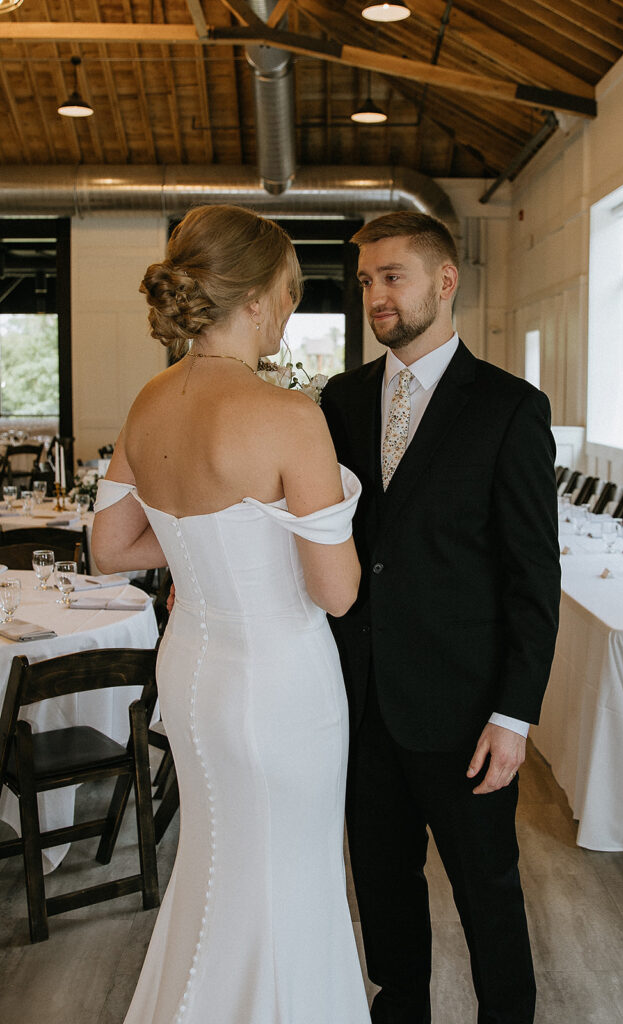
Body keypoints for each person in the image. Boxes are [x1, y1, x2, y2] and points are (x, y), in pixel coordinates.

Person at [91, 204, 371, 1024]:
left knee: (217, 864)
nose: (289, 310)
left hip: (192, 670)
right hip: (280, 682)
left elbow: (110, 547)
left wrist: (203, 558)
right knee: (287, 874)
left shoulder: (148, 401)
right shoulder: (290, 416)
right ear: (252, 298)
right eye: (288, 293)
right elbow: (338, 591)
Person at [321, 211, 560, 1024]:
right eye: (364, 282)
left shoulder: (508, 409)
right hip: (358, 703)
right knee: (382, 888)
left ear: (444, 281)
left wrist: (513, 714)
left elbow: (534, 579)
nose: (375, 297)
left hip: (465, 712)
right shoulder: (339, 401)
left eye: (392, 277)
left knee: (487, 892)